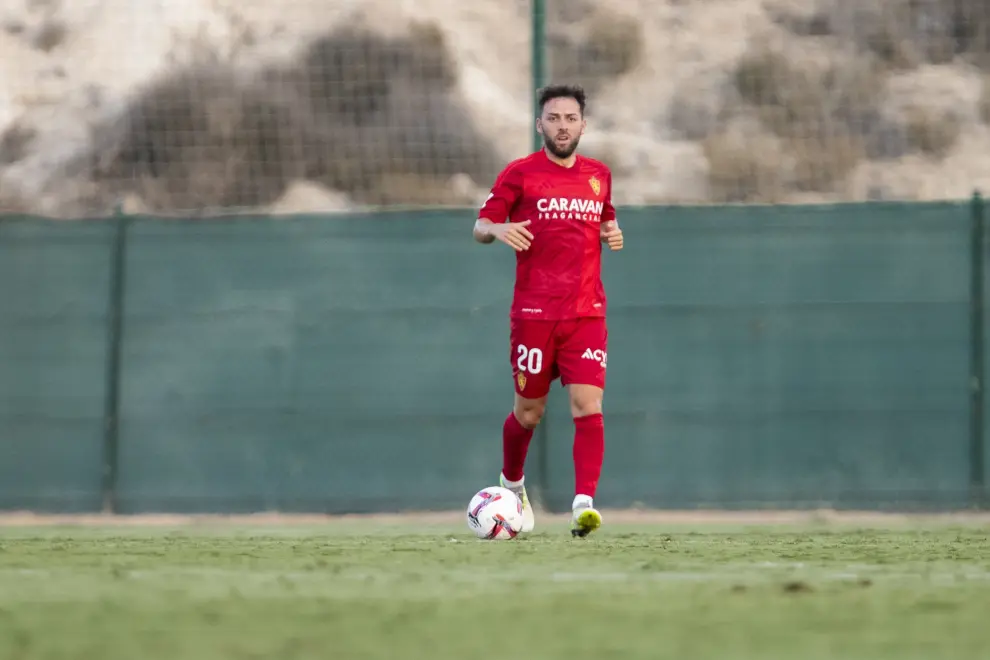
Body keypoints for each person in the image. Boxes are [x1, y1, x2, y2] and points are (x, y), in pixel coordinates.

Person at [473, 84, 624, 537]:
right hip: (535, 314)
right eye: (554, 118)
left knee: (587, 404)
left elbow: (603, 216)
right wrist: (497, 229)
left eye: (570, 118)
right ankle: (512, 484)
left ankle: (583, 505)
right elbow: (480, 225)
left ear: (583, 124)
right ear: (540, 125)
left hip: (586, 312)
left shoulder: (599, 174)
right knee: (529, 413)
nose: (563, 126)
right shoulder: (520, 174)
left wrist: (610, 231)